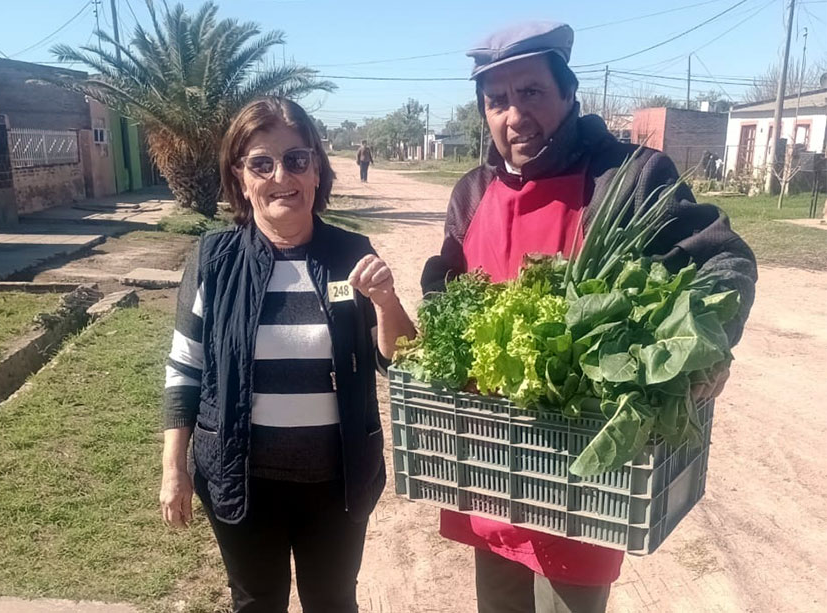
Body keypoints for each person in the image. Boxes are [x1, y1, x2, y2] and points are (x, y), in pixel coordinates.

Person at [421, 22, 757, 613]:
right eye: (497, 101)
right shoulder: (470, 193)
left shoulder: (628, 178)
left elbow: (725, 260)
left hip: (584, 478)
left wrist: (709, 345)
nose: (514, 115)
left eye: (531, 93)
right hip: (489, 463)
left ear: (569, 95)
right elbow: (446, 297)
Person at [159, 96, 415, 613]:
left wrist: (386, 300)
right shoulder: (214, 260)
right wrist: (173, 467)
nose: (282, 176)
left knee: (333, 601)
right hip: (240, 476)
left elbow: (401, 360)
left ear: (317, 170)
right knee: (256, 601)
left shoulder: (350, 253)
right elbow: (184, 369)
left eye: (297, 160)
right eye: (262, 163)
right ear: (241, 177)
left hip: (337, 480)